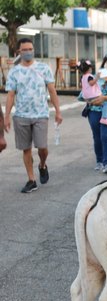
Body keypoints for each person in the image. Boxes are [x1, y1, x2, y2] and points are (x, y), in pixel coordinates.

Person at [3, 38, 63, 193]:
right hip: (21, 115)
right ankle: (31, 180)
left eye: (30, 49)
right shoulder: (14, 72)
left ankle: (42, 165)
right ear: (19, 52)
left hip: (41, 114)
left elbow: (52, 90)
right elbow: (10, 95)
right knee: (26, 149)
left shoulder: (43, 68)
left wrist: (58, 111)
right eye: (25, 50)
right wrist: (7, 116)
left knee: (42, 147)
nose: (28, 52)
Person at [78, 59, 107, 126]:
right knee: (106, 103)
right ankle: (104, 118)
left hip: (87, 97)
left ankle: (88, 108)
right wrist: (97, 77)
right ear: (89, 69)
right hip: (93, 95)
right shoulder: (89, 76)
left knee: (99, 103)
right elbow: (91, 83)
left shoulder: (82, 77)